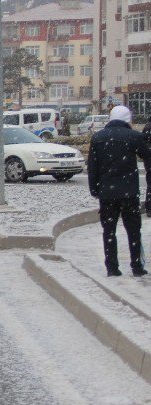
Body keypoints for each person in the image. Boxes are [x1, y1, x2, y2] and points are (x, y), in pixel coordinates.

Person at [87, 105, 151, 277]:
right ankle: (137, 266)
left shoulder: (98, 138)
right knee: (133, 230)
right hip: (129, 192)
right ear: (126, 119)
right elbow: (148, 155)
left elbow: (92, 167)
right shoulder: (134, 137)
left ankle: (112, 267)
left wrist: (94, 189)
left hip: (107, 193)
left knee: (109, 231)